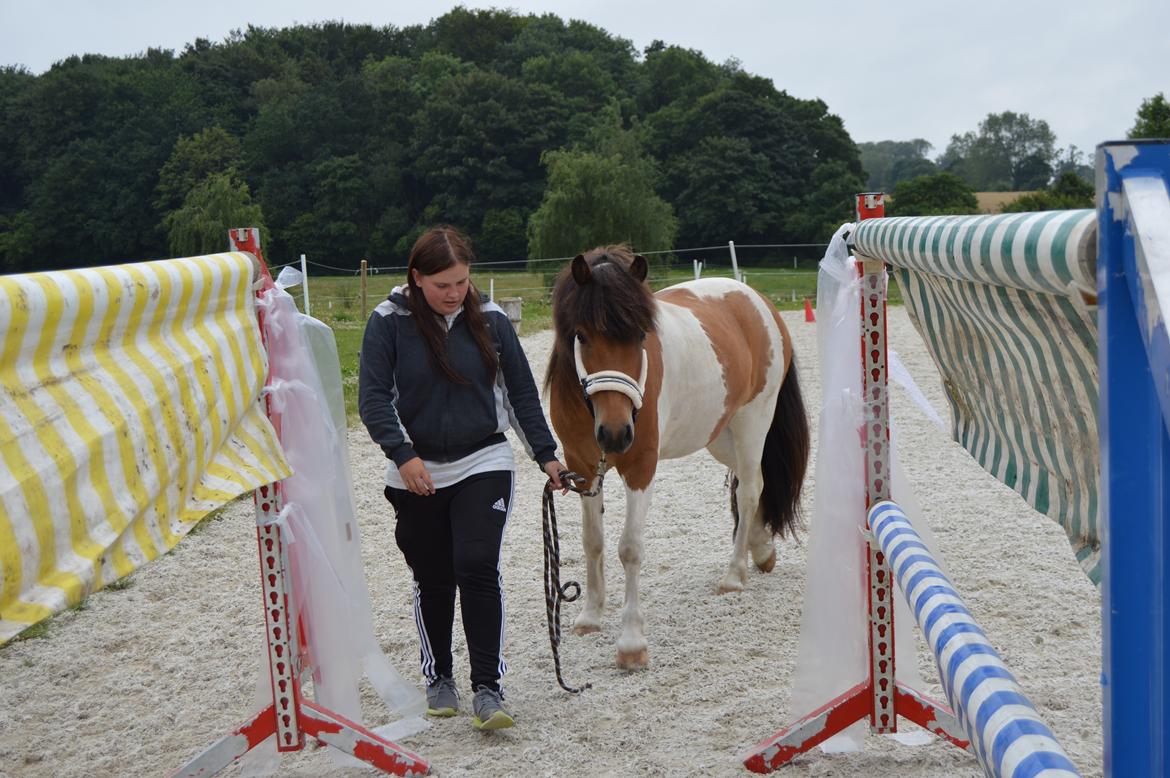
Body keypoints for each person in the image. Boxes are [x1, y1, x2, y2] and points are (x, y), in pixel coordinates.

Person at [359, 226, 567, 731]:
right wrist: (404, 456)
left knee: (475, 562)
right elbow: (372, 400)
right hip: (417, 467)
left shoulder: (491, 321)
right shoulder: (387, 322)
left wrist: (547, 455)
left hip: (484, 460)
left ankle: (488, 689)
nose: (454, 294)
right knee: (432, 576)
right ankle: (440, 678)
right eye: (442, 285)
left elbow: (520, 395)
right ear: (416, 278)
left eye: (461, 283)